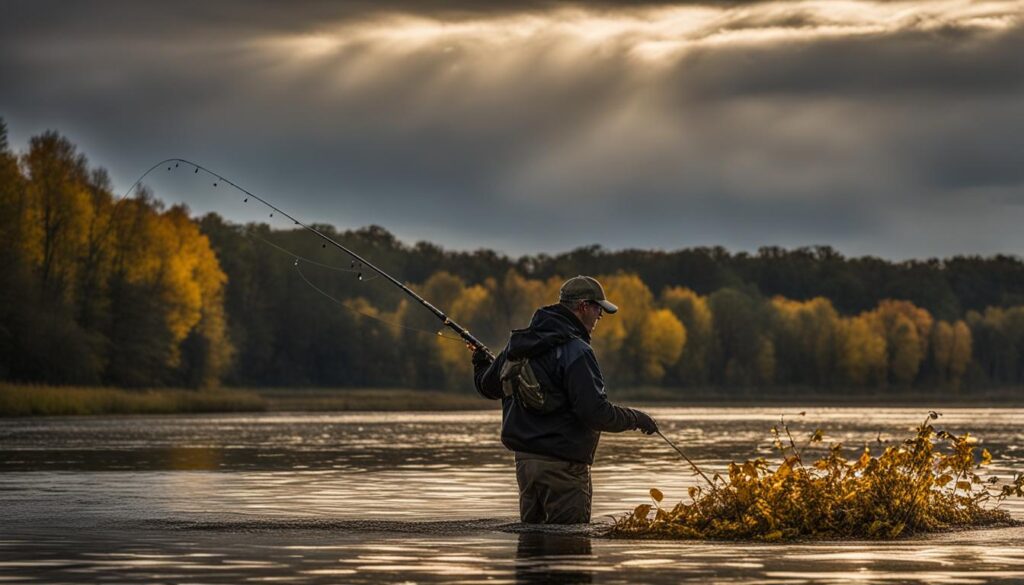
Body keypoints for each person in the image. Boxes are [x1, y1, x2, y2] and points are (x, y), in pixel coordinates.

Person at [472, 275, 659, 524]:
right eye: (597, 308)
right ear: (583, 307)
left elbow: (488, 387)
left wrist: (480, 363)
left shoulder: (518, 345)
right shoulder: (576, 350)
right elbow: (595, 413)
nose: (600, 316)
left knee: (533, 551)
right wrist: (637, 418)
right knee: (570, 549)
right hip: (564, 469)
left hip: (526, 467)